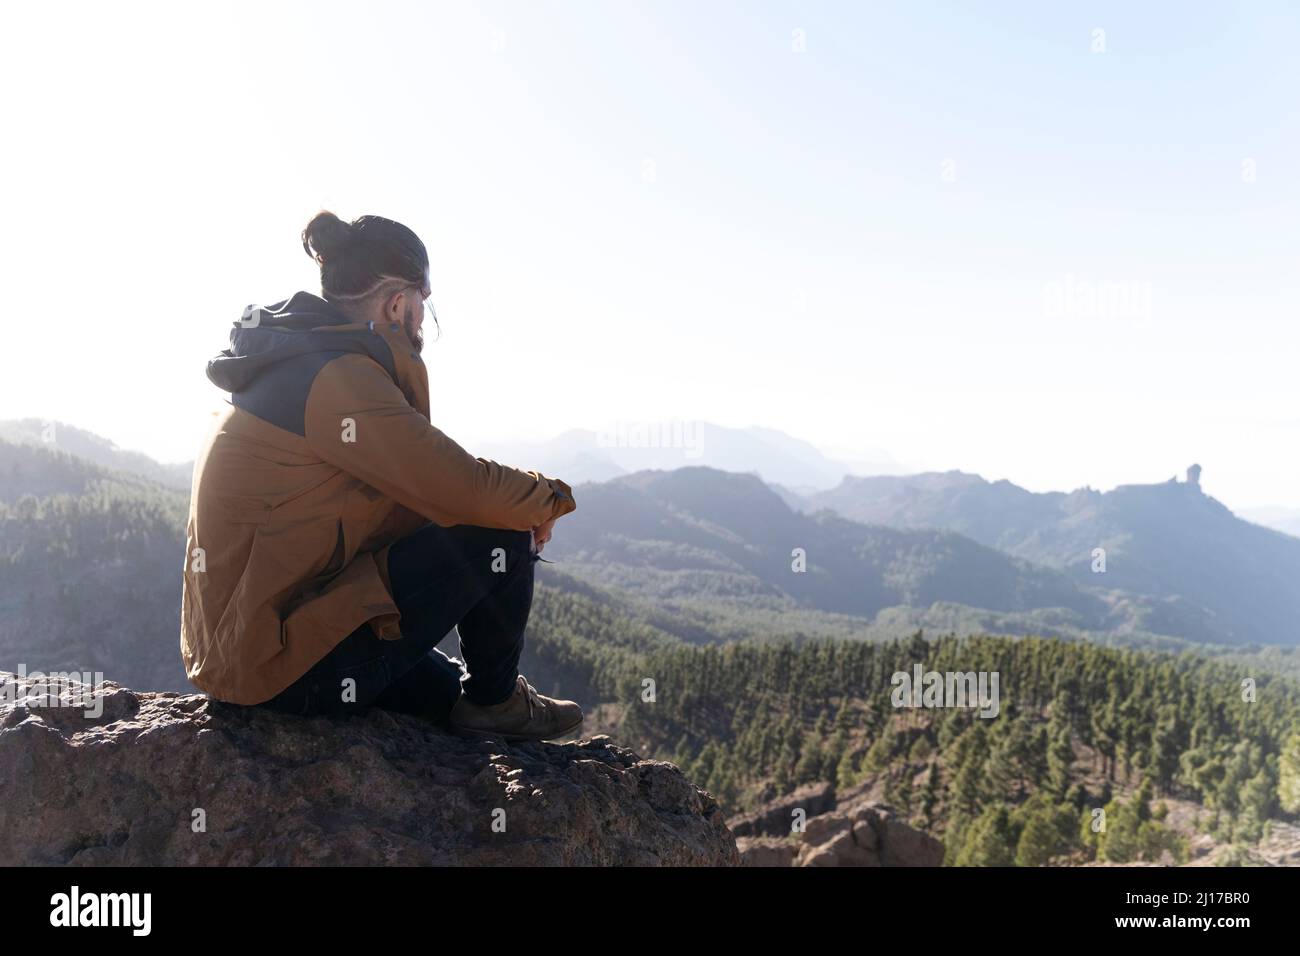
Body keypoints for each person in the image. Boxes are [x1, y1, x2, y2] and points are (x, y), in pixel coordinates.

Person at [179, 210, 582, 741]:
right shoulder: (336, 378)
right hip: (280, 665)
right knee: (501, 532)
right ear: (399, 303)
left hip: (260, 645)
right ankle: (496, 703)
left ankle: (481, 698)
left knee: (445, 696)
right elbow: (461, 490)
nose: (423, 319)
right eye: (424, 302)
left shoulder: (297, 360)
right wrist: (548, 498)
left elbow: (404, 502)